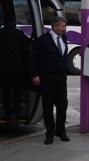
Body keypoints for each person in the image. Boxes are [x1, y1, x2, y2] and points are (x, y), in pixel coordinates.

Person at [29, 16, 70, 144]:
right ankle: (50, 133)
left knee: (62, 104)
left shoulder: (63, 38)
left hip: (61, 78)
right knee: (47, 105)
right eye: (62, 26)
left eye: (65, 26)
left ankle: (61, 130)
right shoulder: (42, 41)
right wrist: (34, 75)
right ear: (55, 27)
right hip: (47, 78)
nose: (64, 29)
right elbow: (32, 58)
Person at [0, 19, 30, 126]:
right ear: (14, 23)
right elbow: (25, 52)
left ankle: (7, 113)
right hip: (17, 68)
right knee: (17, 92)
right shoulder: (20, 34)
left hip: (1, 68)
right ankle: (15, 114)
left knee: (5, 91)